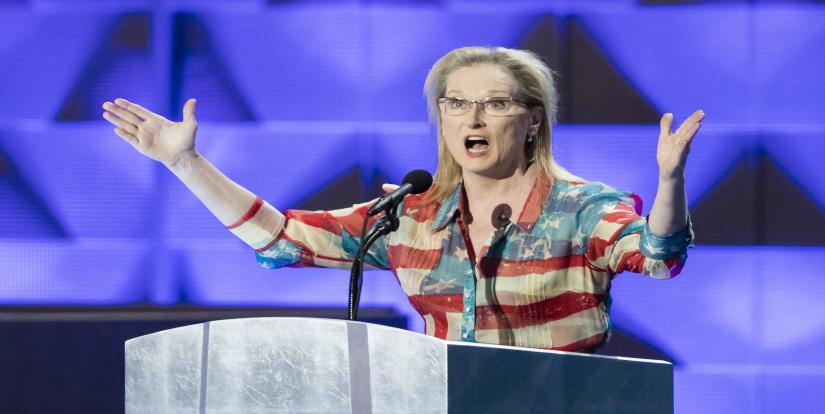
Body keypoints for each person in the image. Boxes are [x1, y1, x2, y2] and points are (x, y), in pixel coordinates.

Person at [102, 46, 702, 352]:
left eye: (495, 103)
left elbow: (656, 253)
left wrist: (670, 181)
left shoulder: (583, 208)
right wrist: (185, 162)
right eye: (456, 103)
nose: (473, 116)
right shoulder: (411, 215)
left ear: (532, 121)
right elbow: (280, 239)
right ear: (441, 120)